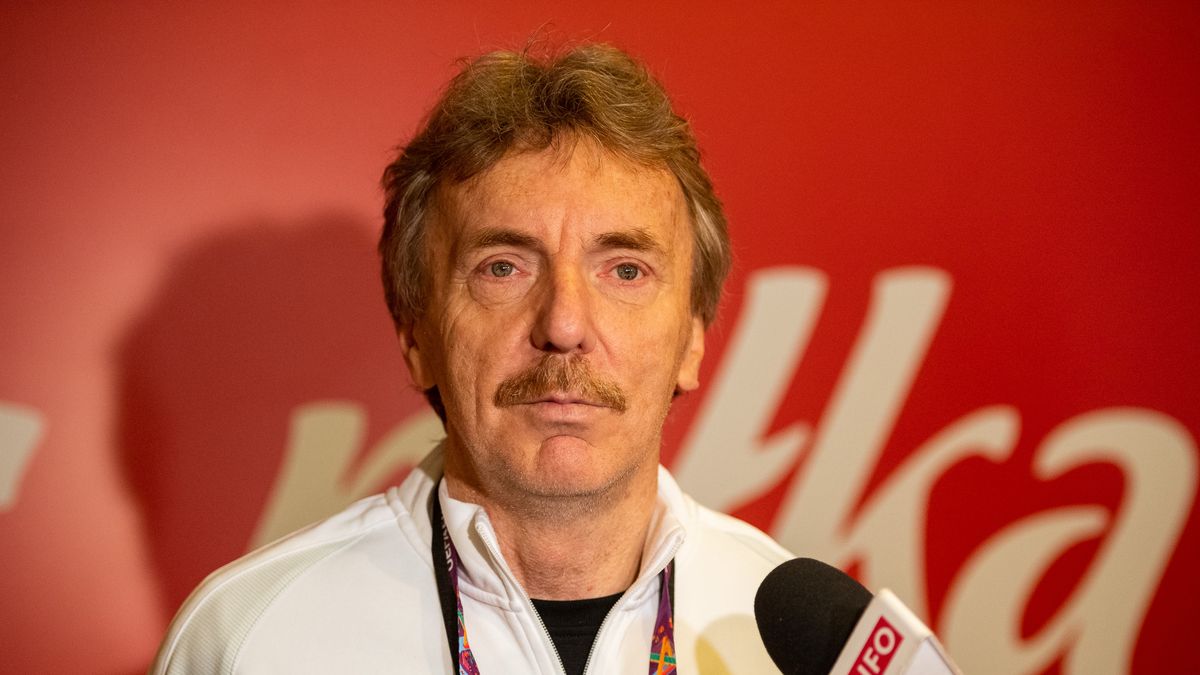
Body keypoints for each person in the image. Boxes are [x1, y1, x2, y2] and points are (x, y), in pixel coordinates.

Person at [151, 43, 792, 674]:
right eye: (503, 268)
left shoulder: (796, 641)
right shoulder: (248, 641)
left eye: (625, 270)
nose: (564, 325)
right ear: (416, 339)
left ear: (692, 341)